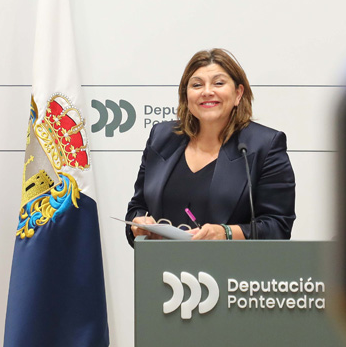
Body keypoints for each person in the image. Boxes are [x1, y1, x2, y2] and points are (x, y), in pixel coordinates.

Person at [126, 48, 295, 244]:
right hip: (163, 268)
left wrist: (225, 233)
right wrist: (140, 225)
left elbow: (278, 227)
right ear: (186, 96)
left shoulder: (264, 145)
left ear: (238, 93)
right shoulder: (161, 137)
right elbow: (137, 207)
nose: (207, 92)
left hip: (231, 271)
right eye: (197, 85)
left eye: (219, 83)